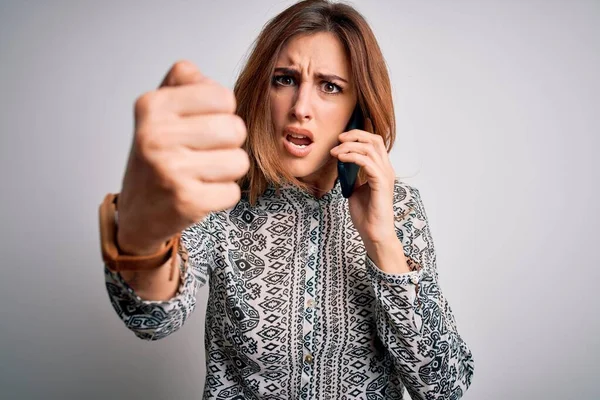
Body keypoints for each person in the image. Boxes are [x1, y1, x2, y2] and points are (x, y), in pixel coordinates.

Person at [99, 0, 475, 398]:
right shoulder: (220, 197)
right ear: (263, 89)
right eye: (285, 79)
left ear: (358, 107)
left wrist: (383, 242)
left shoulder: (400, 209)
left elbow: (444, 387)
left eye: (330, 87)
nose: (300, 108)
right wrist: (140, 239)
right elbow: (152, 319)